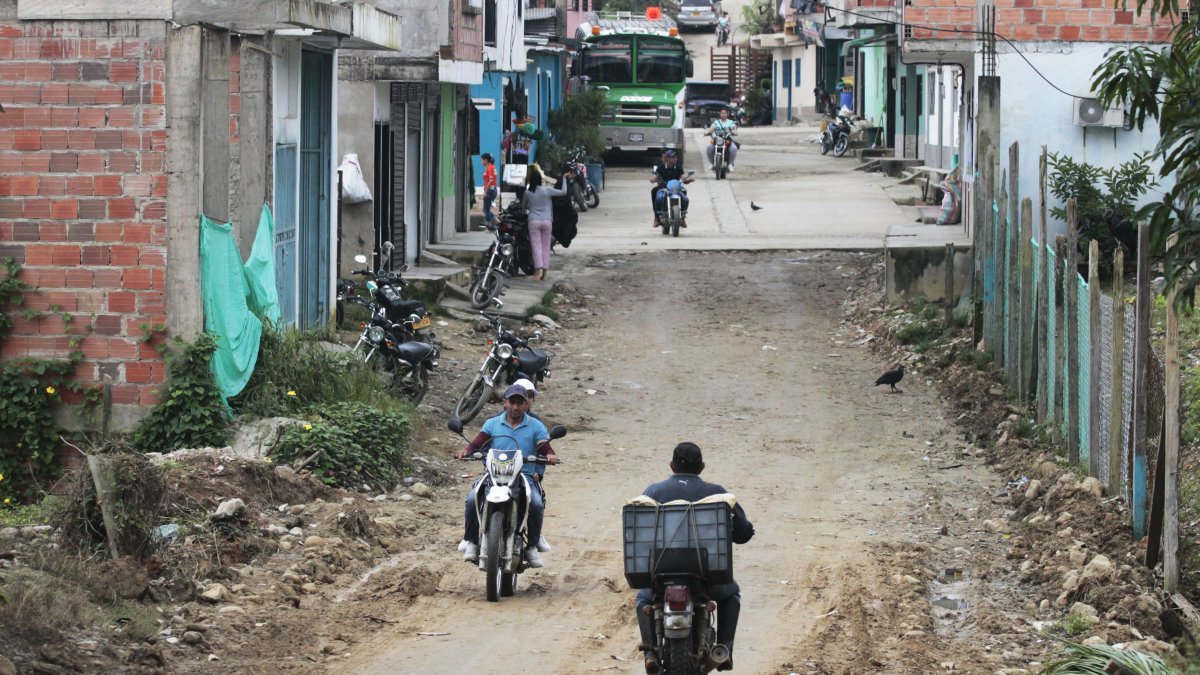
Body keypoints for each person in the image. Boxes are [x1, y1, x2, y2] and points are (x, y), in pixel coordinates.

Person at [635, 443, 754, 674]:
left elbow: (640, 530)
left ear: (671, 465)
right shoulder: (718, 493)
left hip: (661, 575)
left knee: (642, 599)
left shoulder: (653, 492)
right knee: (731, 594)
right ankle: (724, 650)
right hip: (707, 574)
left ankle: (650, 653)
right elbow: (742, 534)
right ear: (701, 467)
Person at [456, 384, 559, 566]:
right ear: (505, 403)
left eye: (520, 403)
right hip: (494, 474)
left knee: (535, 504)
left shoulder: (536, 425)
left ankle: (532, 547)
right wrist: (467, 450)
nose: (516, 407)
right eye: (512, 402)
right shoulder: (492, 423)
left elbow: (544, 446)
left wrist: (550, 454)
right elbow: (477, 443)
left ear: (526, 404)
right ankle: (471, 541)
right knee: (472, 498)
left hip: (524, 476)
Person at [520, 169, 566, 281]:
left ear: (531, 180)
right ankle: (545, 274)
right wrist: (564, 178)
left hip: (533, 221)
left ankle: (536, 273)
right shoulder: (547, 190)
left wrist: (529, 209)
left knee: (536, 247)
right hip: (547, 221)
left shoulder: (527, 192)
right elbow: (563, 192)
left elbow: (523, 208)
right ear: (540, 180)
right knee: (546, 247)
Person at [648, 149, 693, 228]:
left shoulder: (679, 168)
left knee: (686, 199)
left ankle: (682, 217)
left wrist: (687, 180)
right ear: (667, 159)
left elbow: (682, 178)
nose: (675, 159)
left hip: (676, 188)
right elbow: (656, 176)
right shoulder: (661, 168)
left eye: (676, 157)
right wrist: (653, 179)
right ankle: (657, 218)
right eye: (673, 157)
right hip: (664, 188)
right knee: (658, 198)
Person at [481, 153, 499, 227]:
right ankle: (496, 221)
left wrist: (485, 191)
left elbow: (491, 180)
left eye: (482, 160)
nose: (481, 162)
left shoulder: (489, 168)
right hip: (492, 189)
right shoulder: (492, 167)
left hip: (490, 190)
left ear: (486, 160)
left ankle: (489, 225)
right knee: (485, 209)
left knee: (486, 209)